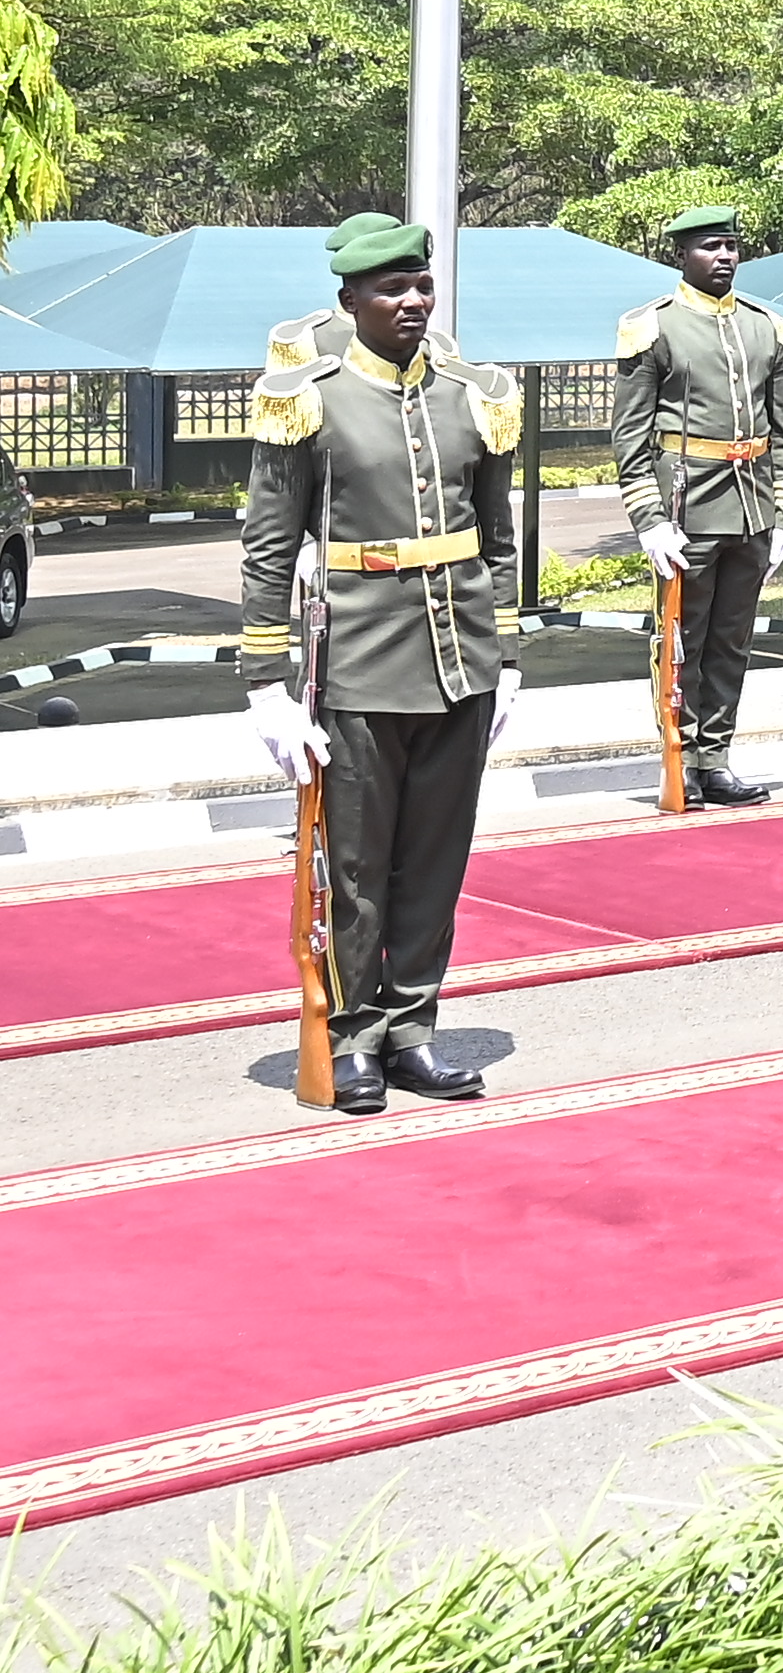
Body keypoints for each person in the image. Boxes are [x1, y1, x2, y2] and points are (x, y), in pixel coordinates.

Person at [238, 219, 522, 1114]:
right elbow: (268, 546)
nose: (411, 303)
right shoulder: (309, 397)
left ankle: (413, 1030)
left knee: (436, 861)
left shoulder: (474, 394)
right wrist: (262, 682)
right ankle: (352, 1036)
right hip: (360, 661)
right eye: (391, 290)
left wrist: (507, 654)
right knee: (355, 866)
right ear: (349, 302)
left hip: (461, 660)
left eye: (421, 287)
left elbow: (498, 537)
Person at [612, 206, 783, 807]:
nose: (724, 256)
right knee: (682, 642)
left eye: (732, 246)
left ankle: (716, 758)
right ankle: (680, 758)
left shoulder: (765, 326)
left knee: (731, 643)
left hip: (752, 509)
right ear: (681, 256)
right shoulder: (655, 328)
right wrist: (648, 519)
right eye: (711, 247)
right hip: (686, 508)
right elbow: (630, 437)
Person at [264, 212, 462, 369]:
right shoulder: (305, 341)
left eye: (425, 288)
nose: (415, 301)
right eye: (393, 289)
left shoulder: (435, 347)